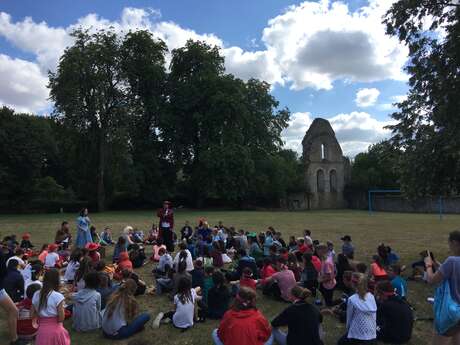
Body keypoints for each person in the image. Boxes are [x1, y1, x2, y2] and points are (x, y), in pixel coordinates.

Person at [425, 230, 460, 344]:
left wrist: (428, 265)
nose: (449, 246)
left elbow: (431, 279)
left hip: (451, 313)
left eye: (449, 243)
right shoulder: (452, 263)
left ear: (454, 243)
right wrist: (439, 265)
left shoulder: (452, 261)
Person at [31, 268, 70, 345]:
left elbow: (32, 313)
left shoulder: (36, 294)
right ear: (57, 280)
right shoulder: (58, 296)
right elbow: (61, 318)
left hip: (42, 331)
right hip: (56, 331)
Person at [337, 272, 377, 345]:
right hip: (372, 334)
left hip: (358, 336)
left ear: (353, 283)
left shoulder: (352, 299)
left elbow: (349, 318)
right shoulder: (371, 296)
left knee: (340, 342)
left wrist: (349, 330)